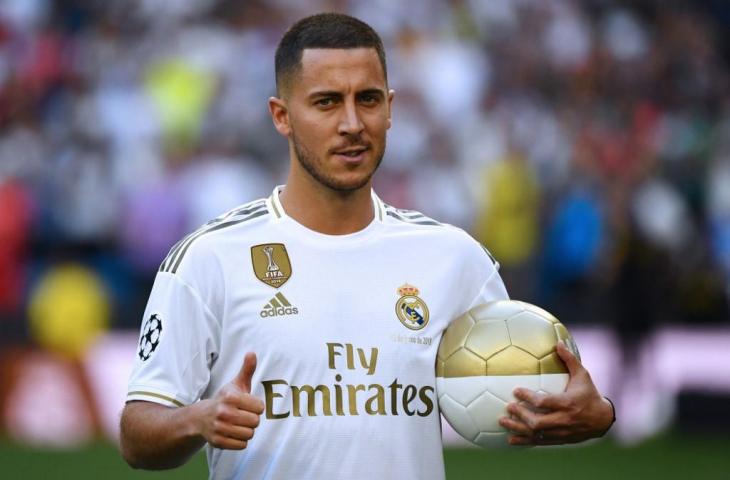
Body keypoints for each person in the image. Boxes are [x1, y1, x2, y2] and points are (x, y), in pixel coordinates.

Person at [120, 12, 615, 479]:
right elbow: (137, 433)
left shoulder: (453, 257)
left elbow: (518, 401)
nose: (353, 123)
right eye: (327, 101)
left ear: (391, 108)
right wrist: (199, 420)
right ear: (281, 116)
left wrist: (597, 416)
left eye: (369, 99)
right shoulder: (210, 258)